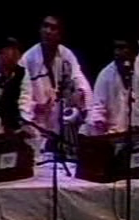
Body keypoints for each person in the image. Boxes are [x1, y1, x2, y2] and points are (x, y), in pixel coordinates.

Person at [19, 15, 92, 151]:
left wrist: (81, 96)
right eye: (45, 26)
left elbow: (79, 79)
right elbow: (23, 97)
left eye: (53, 28)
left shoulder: (66, 55)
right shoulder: (28, 59)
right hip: (37, 125)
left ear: (60, 34)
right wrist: (33, 108)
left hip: (60, 124)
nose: (48, 31)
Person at [85, 36, 139, 143]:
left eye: (122, 48)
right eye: (116, 48)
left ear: (134, 52)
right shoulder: (105, 75)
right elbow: (98, 107)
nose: (117, 52)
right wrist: (98, 123)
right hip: (113, 134)